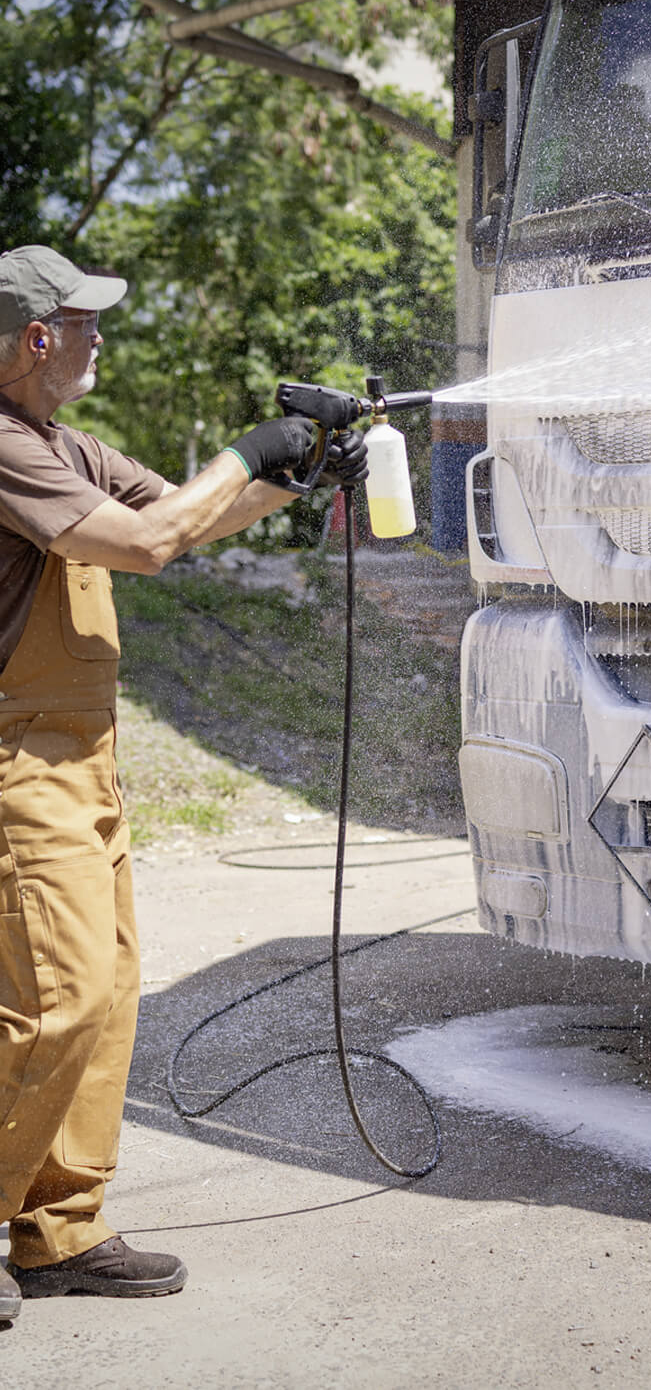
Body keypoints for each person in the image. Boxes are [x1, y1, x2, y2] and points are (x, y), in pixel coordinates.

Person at [0, 245, 366, 1322]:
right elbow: (149, 543)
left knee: (108, 996)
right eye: (86, 321)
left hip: (84, 758)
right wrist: (248, 447)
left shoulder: (67, 444)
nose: (99, 336)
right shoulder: (4, 445)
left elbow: (190, 517)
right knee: (58, 999)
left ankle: (58, 1231)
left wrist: (292, 474)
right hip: (19, 762)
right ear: (36, 337)